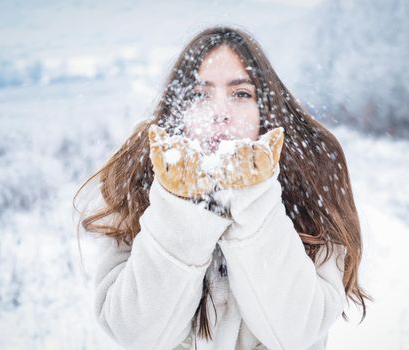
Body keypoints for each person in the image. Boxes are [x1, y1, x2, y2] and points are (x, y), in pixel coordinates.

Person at [73, 25, 371, 350]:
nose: (219, 114)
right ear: (179, 109)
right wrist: (180, 202)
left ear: (265, 108)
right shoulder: (139, 180)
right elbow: (136, 333)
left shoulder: (309, 182)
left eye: (241, 94)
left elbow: (296, 333)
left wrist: (253, 197)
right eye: (200, 95)